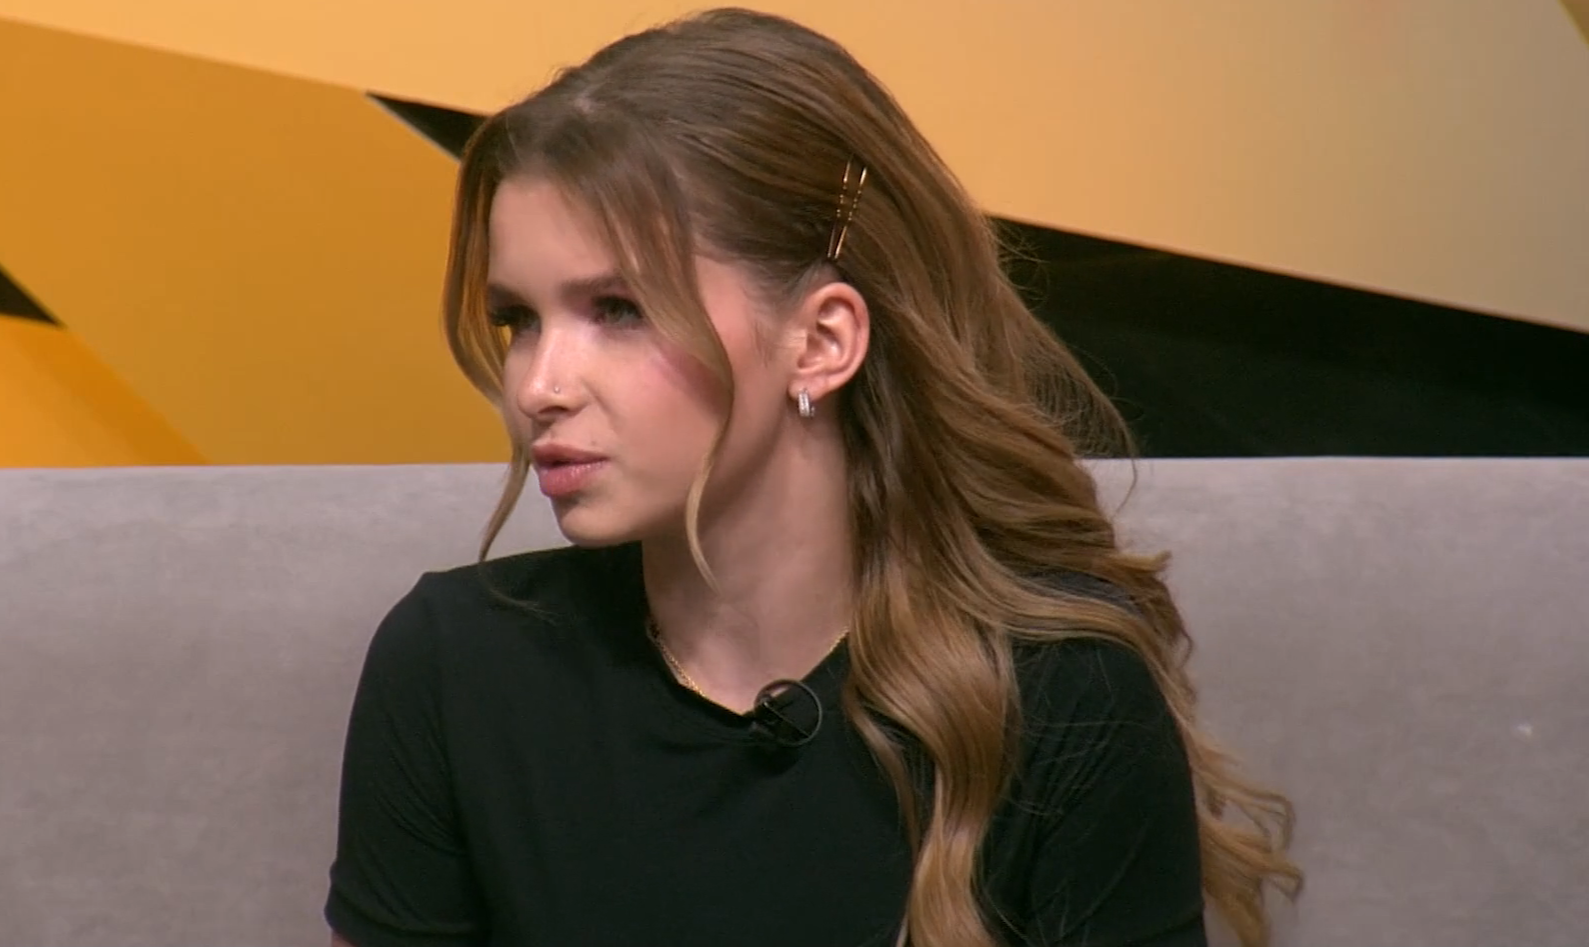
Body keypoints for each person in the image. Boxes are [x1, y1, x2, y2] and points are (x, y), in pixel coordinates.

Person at [324, 7, 1301, 946]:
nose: (538, 385)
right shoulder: (452, 667)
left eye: (619, 309)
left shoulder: (1063, 697)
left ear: (822, 340)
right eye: (518, 320)